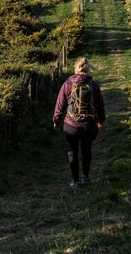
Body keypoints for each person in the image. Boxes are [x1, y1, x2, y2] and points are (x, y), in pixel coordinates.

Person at [53, 57, 105, 189]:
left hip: (71, 124)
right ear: (87, 70)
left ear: (75, 69)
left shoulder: (68, 83)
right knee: (86, 150)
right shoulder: (93, 84)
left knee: (72, 152)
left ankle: (75, 181)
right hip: (89, 124)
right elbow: (100, 105)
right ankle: (85, 177)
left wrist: (57, 120)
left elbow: (60, 104)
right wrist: (100, 120)